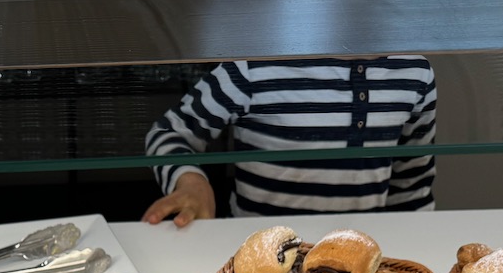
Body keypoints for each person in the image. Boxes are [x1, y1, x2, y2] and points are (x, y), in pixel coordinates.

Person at [142, 56, 436, 226]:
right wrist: (191, 182)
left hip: (359, 263)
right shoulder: (253, 64)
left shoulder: (414, 70)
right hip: (257, 259)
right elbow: (169, 133)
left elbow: (412, 186)